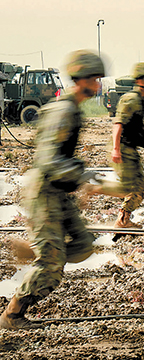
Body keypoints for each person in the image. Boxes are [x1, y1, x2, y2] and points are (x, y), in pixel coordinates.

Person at [1, 51, 109, 330]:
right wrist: (82, 173)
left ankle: (38, 251)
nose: (98, 85)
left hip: (57, 190)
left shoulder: (72, 109)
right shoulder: (64, 111)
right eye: (95, 79)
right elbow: (49, 161)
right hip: (45, 192)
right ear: (81, 79)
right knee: (52, 264)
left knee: (84, 245)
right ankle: (12, 314)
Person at [109, 62, 144, 229]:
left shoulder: (141, 98)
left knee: (140, 186)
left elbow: (135, 124)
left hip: (130, 149)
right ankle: (122, 219)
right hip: (124, 149)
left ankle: (124, 218)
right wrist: (116, 149)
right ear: (140, 80)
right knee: (135, 187)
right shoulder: (131, 99)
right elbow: (118, 124)